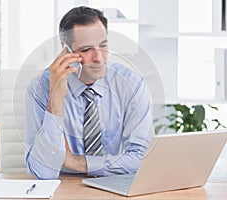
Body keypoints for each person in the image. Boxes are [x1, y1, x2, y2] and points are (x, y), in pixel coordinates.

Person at [25, 6, 154, 179]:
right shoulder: (40, 88)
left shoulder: (131, 84)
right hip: (62, 188)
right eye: (86, 50)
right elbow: (44, 172)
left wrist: (75, 162)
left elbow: (142, 159)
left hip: (112, 186)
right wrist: (55, 98)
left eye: (103, 46)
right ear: (66, 49)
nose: (99, 58)